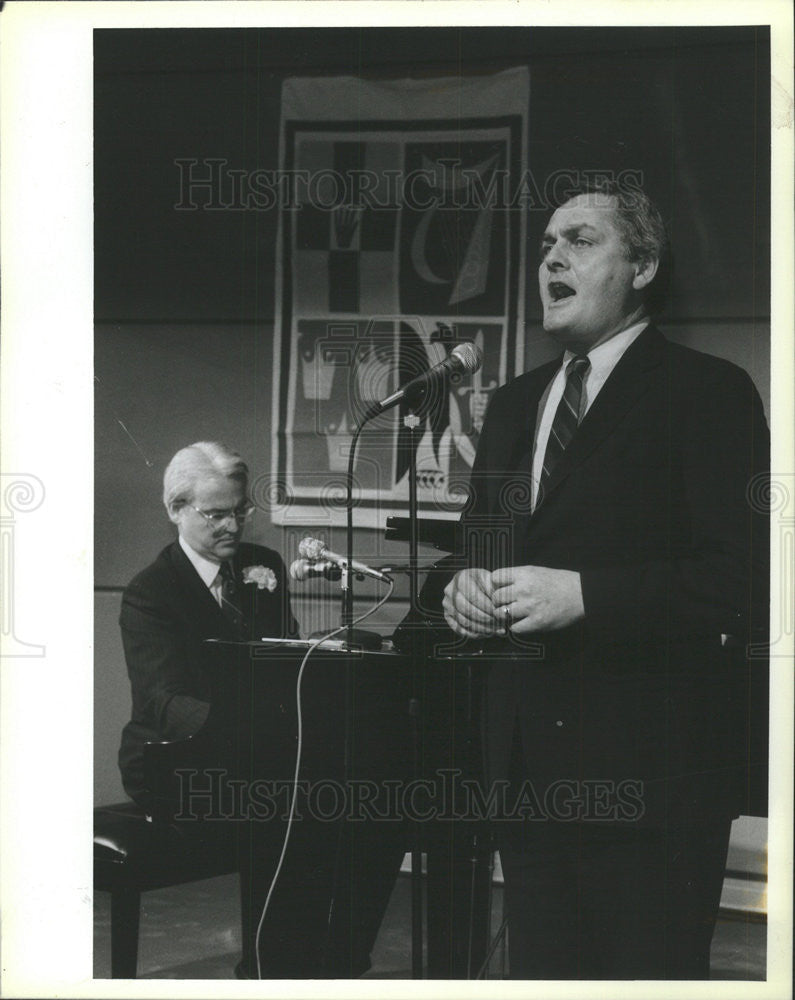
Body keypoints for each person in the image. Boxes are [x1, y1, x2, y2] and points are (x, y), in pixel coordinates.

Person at [435, 180, 769, 979]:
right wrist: (457, 592)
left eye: (579, 241)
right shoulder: (515, 406)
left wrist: (584, 595)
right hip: (524, 770)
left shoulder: (706, 391)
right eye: (547, 245)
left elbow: (750, 578)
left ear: (644, 265)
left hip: (653, 777)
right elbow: (472, 551)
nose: (551, 258)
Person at [118, 440, 298, 805]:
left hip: (255, 753)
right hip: (174, 758)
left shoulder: (267, 563)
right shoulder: (149, 592)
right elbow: (165, 703)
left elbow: (286, 658)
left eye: (241, 509)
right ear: (176, 510)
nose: (233, 526)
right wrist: (255, 739)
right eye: (216, 515)